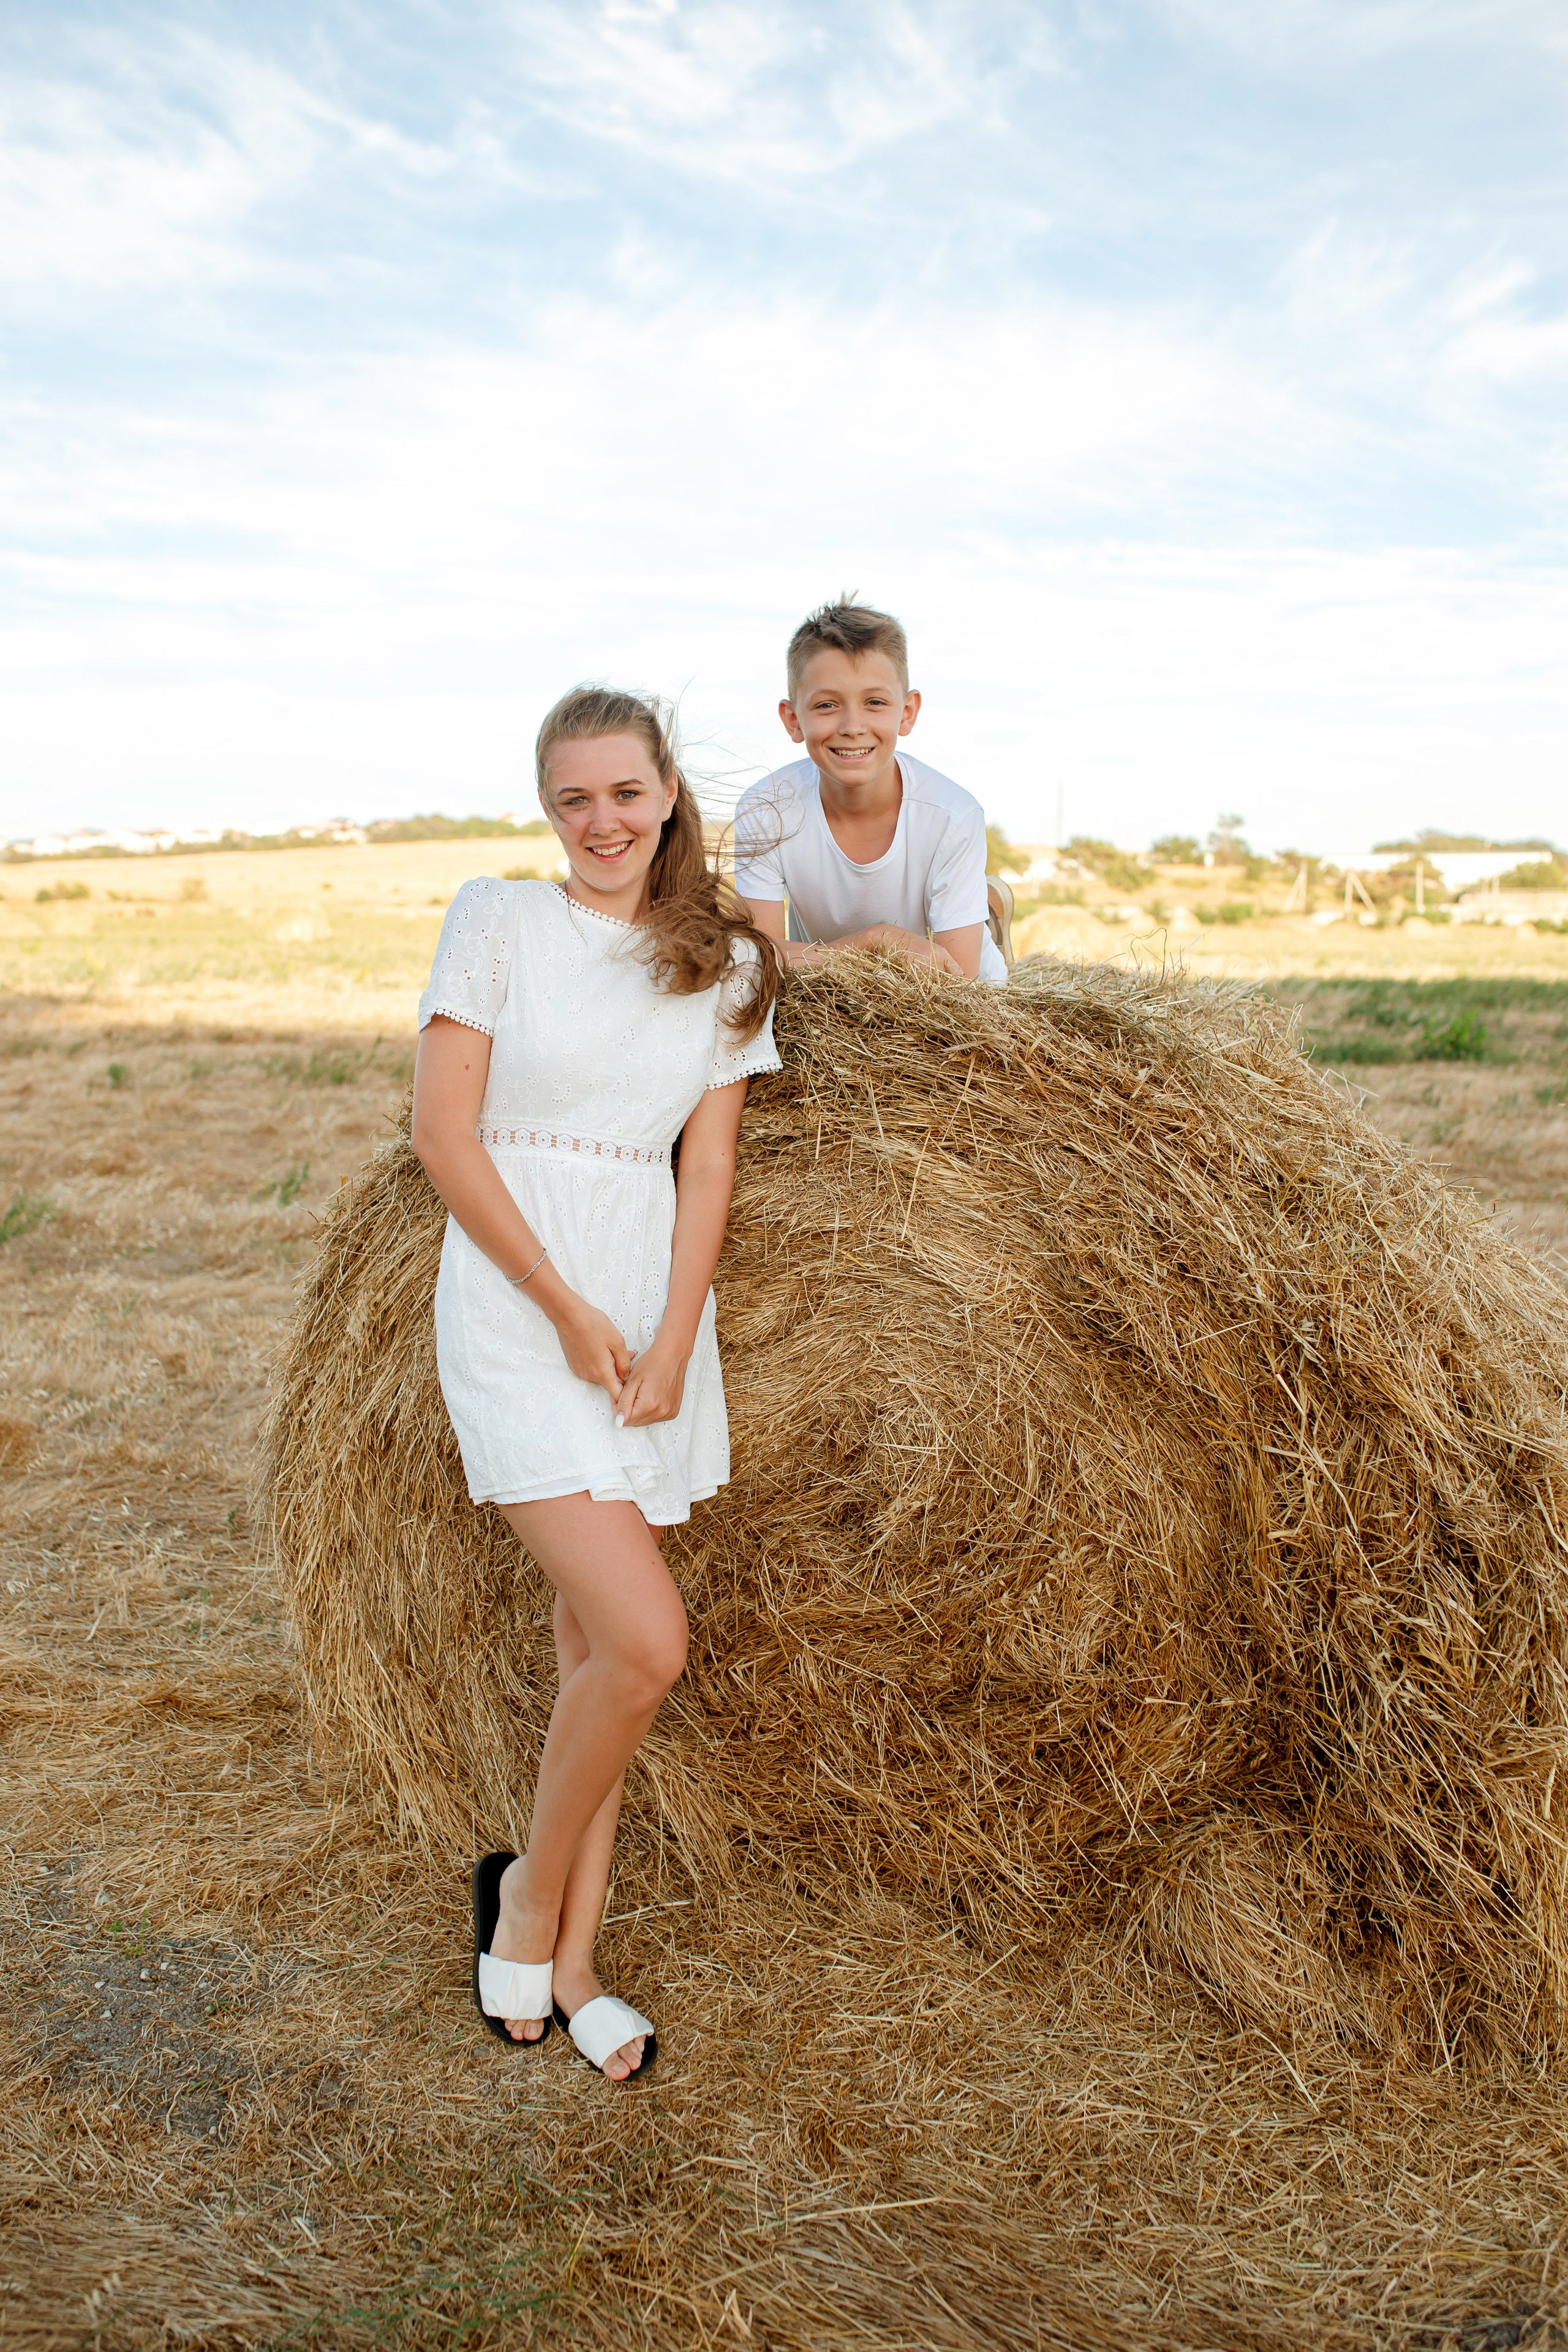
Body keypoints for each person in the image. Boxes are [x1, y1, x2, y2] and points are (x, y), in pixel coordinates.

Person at [410, 686, 781, 2082]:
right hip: (520, 1304)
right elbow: (443, 1134)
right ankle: (519, 1896)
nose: (600, 821)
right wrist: (564, 1309)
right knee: (646, 1641)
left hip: (647, 1311)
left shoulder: (725, 961)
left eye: (624, 793)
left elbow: (712, 1167)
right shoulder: (496, 920)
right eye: (572, 798)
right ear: (545, 807)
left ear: (668, 792)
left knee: (593, 1660)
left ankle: (572, 1961)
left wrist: (674, 1339)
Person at [732, 595, 1009, 984]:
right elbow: (756, 961)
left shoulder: (953, 815)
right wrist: (875, 941)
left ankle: (982, 922)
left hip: (942, 995)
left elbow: (957, 980)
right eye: (827, 705)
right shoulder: (765, 809)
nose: (852, 726)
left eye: (875, 702)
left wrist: (815, 957)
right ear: (793, 720)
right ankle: (979, 904)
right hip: (827, 990)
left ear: (907, 713)